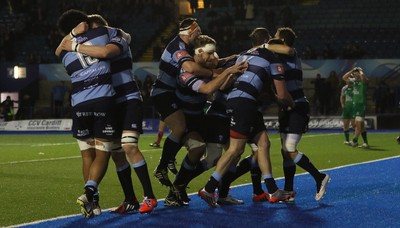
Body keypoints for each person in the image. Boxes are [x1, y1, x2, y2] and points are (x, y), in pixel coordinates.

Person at [58, 14, 157, 214]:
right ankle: (130, 199)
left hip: (128, 98)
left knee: (129, 145)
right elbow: (62, 49)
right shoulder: (95, 42)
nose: (90, 35)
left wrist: (74, 46)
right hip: (110, 102)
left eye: (93, 31)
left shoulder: (116, 36)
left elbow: (106, 51)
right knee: (117, 155)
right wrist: (71, 38)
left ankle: (150, 196)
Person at [198, 27, 295, 208]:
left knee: (264, 144)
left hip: (240, 101)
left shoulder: (242, 55)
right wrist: (292, 105)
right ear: (268, 40)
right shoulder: (271, 57)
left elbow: (227, 82)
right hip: (245, 103)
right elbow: (281, 94)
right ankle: (209, 189)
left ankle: (273, 190)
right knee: (235, 149)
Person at [164, 35, 247, 207]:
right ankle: (175, 189)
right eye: (210, 53)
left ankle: (221, 194)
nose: (213, 57)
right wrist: (229, 71)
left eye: (214, 53)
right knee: (205, 153)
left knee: (233, 155)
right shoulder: (187, 72)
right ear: (199, 52)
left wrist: (235, 58)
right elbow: (211, 88)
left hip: (202, 117)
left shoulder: (208, 64)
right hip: (186, 119)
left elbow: (218, 66)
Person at [56, 9, 121, 218]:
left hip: (79, 105)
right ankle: (89, 191)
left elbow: (59, 51)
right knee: (103, 153)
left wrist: (72, 37)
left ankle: (93, 203)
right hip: (102, 101)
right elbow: (116, 44)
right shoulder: (102, 33)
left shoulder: (64, 54)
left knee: (87, 155)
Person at [269, 27, 331, 202]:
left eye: (276, 37)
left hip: (298, 106)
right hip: (285, 107)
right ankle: (289, 191)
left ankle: (319, 177)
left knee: (289, 149)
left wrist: (264, 44)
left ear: (282, 40)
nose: (273, 39)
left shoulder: (290, 52)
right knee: (284, 152)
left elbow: (287, 49)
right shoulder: (278, 58)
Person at [150, 18, 213, 187]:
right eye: (198, 32)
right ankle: (162, 167)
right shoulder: (178, 48)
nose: (200, 35)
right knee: (179, 127)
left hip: (171, 94)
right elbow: (190, 68)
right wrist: (213, 73)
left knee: (185, 130)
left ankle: (169, 161)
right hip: (163, 93)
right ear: (190, 31)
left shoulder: (184, 47)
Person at [342, 67, 369, 148]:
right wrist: (352, 70)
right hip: (355, 105)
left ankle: (355, 141)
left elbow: (363, 77)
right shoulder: (354, 82)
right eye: (354, 74)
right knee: (358, 125)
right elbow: (344, 77)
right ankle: (365, 143)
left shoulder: (364, 82)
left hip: (361, 105)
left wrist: (360, 70)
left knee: (358, 124)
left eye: (356, 74)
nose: (355, 75)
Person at [341, 79, 355, 145]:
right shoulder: (344, 88)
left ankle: (355, 140)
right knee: (345, 124)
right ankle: (347, 140)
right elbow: (342, 97)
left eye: (349, 82)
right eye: (347, 82)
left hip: (353, 108)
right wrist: (343, 104)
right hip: (347, 108)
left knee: (353, 124)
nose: (348, 83)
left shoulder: (355, 88)